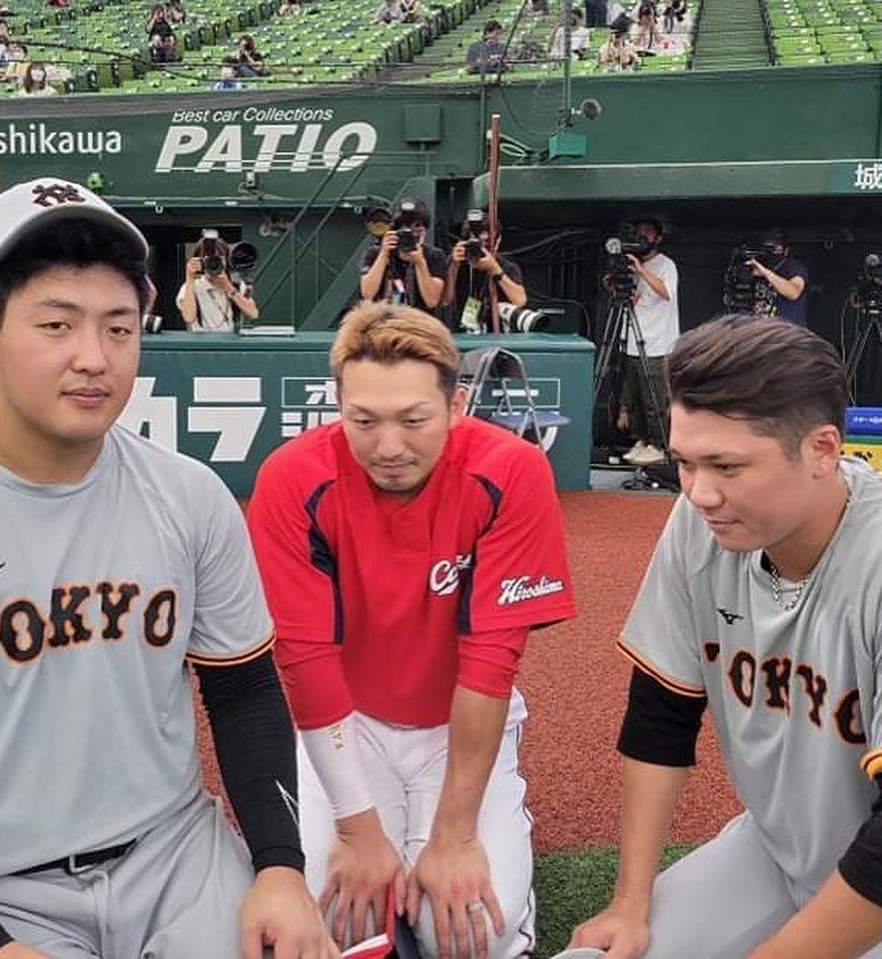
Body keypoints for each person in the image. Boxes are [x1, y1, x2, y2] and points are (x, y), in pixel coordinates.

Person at [0, 176, 335, 959]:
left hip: (173, 855)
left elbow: (243, 691)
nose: (93, 358)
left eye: (118, 327)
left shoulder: (189, 495)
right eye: (56, 324)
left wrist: (280, 866)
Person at [247, 301, 576, 959]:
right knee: (330, 921)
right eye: (363, 420)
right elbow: (304, 660)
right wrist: (357, 831)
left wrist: (455, 836)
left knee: (471, 936)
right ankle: (384, 848)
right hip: (348, 721)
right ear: (337, 404)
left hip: (457, 721)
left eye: (414, 420)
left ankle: (477, 844)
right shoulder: (292, 476)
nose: (389, 446)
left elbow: (490, 660)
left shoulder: (510, 469)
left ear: (456, 405)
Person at [570, 314, 882, 959]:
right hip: (778, 852)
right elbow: (661, 714)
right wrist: (630, 903)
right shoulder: (702, 521)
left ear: (823, 450)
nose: (700, 493)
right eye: (684, 462)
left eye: (728, 466)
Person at [617, 216, 678, 467]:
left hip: (657, 344)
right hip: (631, 339)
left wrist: (642, 271)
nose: (641, 236)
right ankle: (641, 440)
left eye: (647, 232)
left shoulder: (666, 265)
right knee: (634, 397)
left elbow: (666, 293)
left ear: (658, 238)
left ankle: (659, 445)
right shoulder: (631, 263)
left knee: (655, 398)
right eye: (638, 231)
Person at [358, 197, 448, 313]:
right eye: (402, 228)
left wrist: (420, 263)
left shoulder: (434, 255)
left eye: (417, 226)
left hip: (417, 320)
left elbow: (431, 301)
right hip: (382, 319)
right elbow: (367, 294)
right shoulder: (375, 253)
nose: (410, 233)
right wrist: (384, 254)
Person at [443, 212, 526, 334]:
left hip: (496, 333)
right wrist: (454, 266)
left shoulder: (506, 266)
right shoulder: (456, 262)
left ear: (498, 241)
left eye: (487, 244)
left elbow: (520, 300)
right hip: (460, 332)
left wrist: (495, 270)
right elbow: (445, 300)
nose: (481, 249)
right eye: (476, 244)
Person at [177, 234, 259, 331]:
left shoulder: (236, 285)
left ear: (226, 260)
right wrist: (189, 276)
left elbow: (253, 313)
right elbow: (189, 318)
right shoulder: (191, 287)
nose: (214, 263)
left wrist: (229, 288)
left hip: (231, 339)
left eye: (218, 259)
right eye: (209, 260)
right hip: (202, 339)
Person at [748, 228, 808, 327]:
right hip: (762, 328)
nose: (770, 252)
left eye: (774, 248)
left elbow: (794, 293)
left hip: (787, 331)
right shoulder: (759, 267)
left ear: (786, 250)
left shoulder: (794, 267)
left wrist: (765, 272)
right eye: (767, 248)